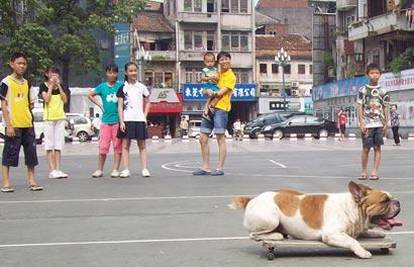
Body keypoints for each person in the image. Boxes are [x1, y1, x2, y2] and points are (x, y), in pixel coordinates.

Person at [0, 52, 43, 192]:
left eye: (24, 63)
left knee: (31, 154)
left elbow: (31, 103)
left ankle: (32, 181)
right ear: (12, 64)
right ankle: (6, 182)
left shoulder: (28, 83)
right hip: (14, 125)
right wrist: (9, 125)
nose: (22, 66)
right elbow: (3, 105)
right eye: (19, 63)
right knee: (9, 154)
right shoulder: (6, 82)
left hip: (28, 124)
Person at [192, 52, 236, 176]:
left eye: (226, 59)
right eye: (221, 60)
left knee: (220, 137)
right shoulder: (216, 73)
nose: (224, 61)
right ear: (218, 62)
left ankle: (220, 168)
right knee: (202, 138)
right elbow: (205, 88)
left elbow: (221, 92)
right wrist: (206, 91)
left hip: (221, 109)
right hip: (210, 107)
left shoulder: (230, 76)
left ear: (229, 60)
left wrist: (211, 92)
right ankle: (205, 167)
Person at [117, 62, 151, 178]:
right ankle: (126, 169)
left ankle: (144, 168)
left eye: (135, 70)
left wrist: (145, 116)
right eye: (130, 71)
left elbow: (148, 102)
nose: (133, 73)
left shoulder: (141, 87)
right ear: (126, 72)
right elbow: (120, 106)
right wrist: (121, 121)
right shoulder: (122, 88)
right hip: (127, 119)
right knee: (125, 145)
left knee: (142, 145)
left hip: (139, 120)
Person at [88, 63, 123, 178]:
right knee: (103, 147)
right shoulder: (102, 87)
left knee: (117, 146)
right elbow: (90, 95)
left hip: (117, 121)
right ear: (106, 73)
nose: (112, 74)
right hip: (105, 121)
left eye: (114, 72)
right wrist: (99, 105)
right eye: (109, 72)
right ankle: (99, 169)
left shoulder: (121, 86)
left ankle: (115, 169)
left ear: (117, 74)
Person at [357, 63, 389, 180]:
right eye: (372, 73)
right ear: (367, 75)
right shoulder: (363, 90)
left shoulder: (383, 91)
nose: (374, 75)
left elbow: (386, 107)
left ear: (380, 75)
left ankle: (374, 172)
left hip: (379, 124)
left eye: (377, 73)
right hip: (367, 124)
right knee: (366, 148)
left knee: (377, 148)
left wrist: (386, 123)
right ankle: (364, 171)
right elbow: (359, 106)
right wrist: (361, 122)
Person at [39, 67, 69, 179]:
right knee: (49, 145)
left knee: (58, 145)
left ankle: (58, 169)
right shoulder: (43, 86)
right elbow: (46, 99)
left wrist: (59, 86)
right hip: (48, 118)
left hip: (59, 117)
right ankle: (51, 170)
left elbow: (65, 100)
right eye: (52, 74)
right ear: (47, 74)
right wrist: (51, 86)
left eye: (56, 74)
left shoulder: (60, 86)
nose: (54, 76)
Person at [200, 52, 219, 122]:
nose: (210, 63)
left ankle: (211, 107)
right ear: (205, 62)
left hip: (215, 86)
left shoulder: (215, 70)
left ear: (214, 62)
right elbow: (202, 78)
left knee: (218, 95)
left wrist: (216, 78)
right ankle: (207, 109)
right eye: (208, 62)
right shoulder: (205, 70)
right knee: (210, 96)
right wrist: (210, 77)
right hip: (208, 86)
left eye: (212, 61)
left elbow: (218, 78)